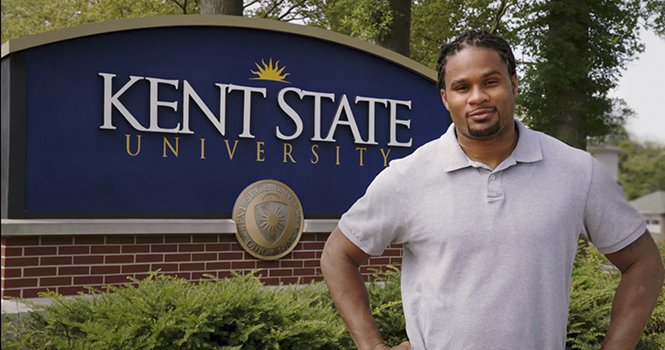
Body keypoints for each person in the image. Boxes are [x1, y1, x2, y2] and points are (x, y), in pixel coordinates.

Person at [320, 30, 664, 350]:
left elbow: (643, 263)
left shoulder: (578, 171)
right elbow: (337, 254)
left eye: (490, 82)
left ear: (514, 83)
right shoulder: (407, 177)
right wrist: (372, 345)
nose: (477, 97)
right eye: (461, 87)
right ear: (445, 98)